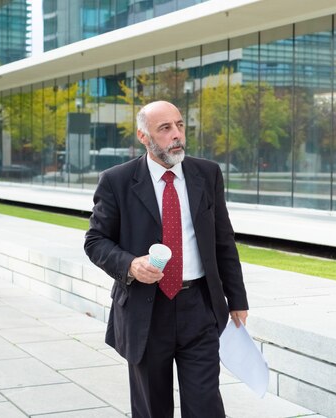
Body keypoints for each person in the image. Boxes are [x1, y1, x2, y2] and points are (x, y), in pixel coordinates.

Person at [84, 100, 249, 418]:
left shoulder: (207, 174)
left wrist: (237, 298)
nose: (177, 135)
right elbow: (95, 241)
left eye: (180, 125)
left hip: (198, 307)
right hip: (145, 311)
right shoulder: (117, 181)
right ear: (143, 137)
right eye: (165, 128)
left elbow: (223, 240)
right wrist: (130, 265)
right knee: (152, 409)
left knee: (206, 407)